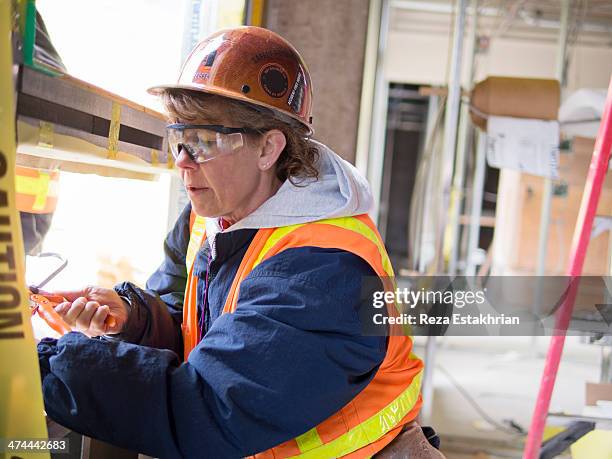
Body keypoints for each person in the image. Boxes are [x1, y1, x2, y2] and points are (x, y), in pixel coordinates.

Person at [37, 27, 439, 458]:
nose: (183, 164)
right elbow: (196, 324)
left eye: (204, 142)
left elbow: (207, 408)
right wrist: (135, 317)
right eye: (178, 140)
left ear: (268, 148)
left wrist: (44, 365)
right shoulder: (210, 218)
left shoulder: (324, 271)